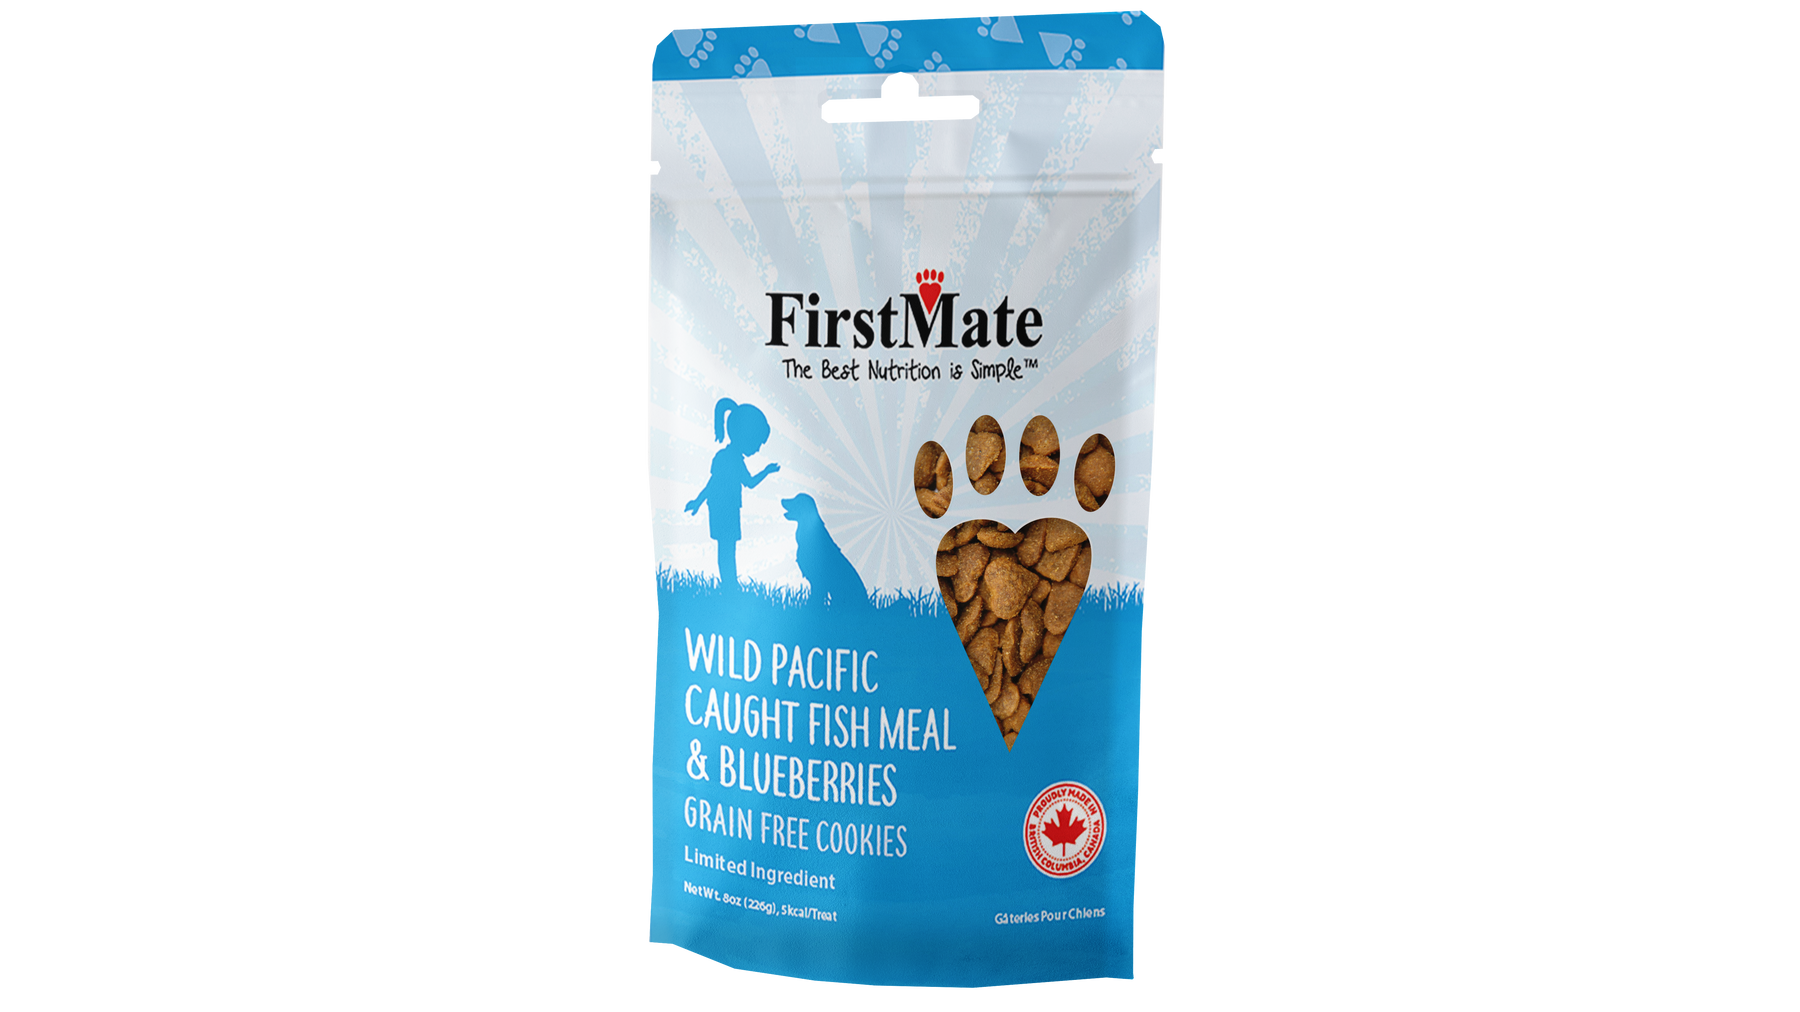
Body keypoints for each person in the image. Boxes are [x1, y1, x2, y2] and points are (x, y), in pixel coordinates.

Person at [685, 398, 779, 593]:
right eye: (757, 443)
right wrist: (698, 501)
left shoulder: (731, 458)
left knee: (727, 547)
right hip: (724, 508)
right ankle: (729, 585)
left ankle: (730, 584)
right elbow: (732, 483)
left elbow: (739, 483)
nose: (758, 449)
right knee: (727, 548)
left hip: (725, 507)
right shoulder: (729, 459)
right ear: (746, 437)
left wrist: (698, 502)